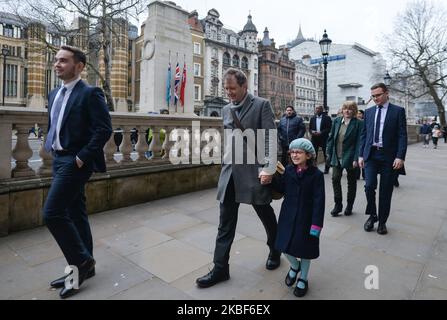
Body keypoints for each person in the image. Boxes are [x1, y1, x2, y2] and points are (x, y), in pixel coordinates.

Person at [195, 68, 280, 288]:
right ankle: (220, 268)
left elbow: (270, 139)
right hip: (230, 173)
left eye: (233, 88)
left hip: (255, 172)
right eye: (227, 88)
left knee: (265, 214)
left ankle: (275, 248)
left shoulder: (262, 105)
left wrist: (269, 168)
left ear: (244, 86)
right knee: (225, 224)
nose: (229, 92)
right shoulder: (225, 109)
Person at [43, 45, 113, 298]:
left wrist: (82, 158)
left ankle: (82, 262)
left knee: (52, 213)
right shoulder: (53, 94)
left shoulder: (90, 93)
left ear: (79, 66)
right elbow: (55, 123)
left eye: (63, 60)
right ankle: (83, 267)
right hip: (59, 158)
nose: (57, 64)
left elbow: (104, 129)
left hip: (75, 162)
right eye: (56, 60)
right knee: (75, 212)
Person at [270, 138, 325, 298]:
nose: (294, 155)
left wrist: (316, 225)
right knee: (282, 245)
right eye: (292, 152)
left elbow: (319, 201)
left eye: (298, 152)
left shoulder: (317, 175)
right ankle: (295, 266)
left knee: (305, 250)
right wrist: (269, 180)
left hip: (306, 219)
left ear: (308, 155)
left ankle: (303, 278)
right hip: (288, 216)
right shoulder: (288, 170)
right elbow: (282, 189)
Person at [359, 83, 407, 235]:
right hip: (371, 155)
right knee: (369, 186)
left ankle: (382, 222)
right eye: (373, 96)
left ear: (387, 93)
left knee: (386, 191)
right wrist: (361, 155)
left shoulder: (398, 111)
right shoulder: (369, 112)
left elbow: (402, 135)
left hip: (389, 156)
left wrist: (400, 156)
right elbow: (364, 135)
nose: (375, 98)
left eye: (378, 95)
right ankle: (372, 216)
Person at [326, 101, 363, 217]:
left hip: (351, 157)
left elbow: (359, 142)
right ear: (342, 110)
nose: (347, 111)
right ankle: (338, 205)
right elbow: (331, 137)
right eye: (345, 108)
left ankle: (349, 205)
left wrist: (356, 158)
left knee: (351, 182)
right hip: (336, 156)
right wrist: (328, 151)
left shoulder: (358, 123)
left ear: (354, 111)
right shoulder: (336, 121)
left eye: (350, 109)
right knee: (335, 179)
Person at [309, 105, 332, 174]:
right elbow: (309, 128)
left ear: (322, 110)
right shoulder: (312, 118)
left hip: (324, 138)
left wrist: (321, 132)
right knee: (313, 153)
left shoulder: (327, 118)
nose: (317, 110)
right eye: (316, 108)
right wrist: (312, 132)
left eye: (319, 108)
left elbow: (329, 128)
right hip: (314, 138)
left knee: (326, 154)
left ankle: (326, 169)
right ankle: (314, 168)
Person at [356, 110, 365, 180]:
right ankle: (357, 175)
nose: (358, 115)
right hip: (356, 143)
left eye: (360, 114)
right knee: (357, 159)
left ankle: (365, 175)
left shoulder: (365, 122)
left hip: (364, 143)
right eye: (357, 114)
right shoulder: (355, 122)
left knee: (364, 159)